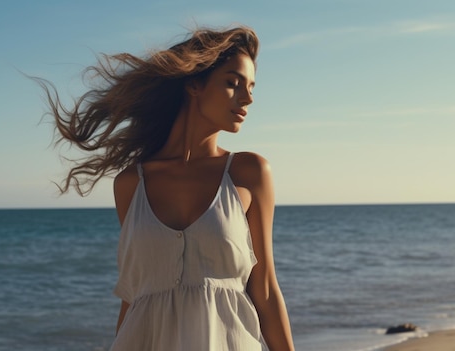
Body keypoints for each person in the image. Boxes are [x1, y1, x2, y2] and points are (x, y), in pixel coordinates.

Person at [37, 25, 294, 351]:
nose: (248, 98)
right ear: (194, 85)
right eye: (233, 83)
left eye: (251, 86)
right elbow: (135, 295)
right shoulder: (132, 184)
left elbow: (266, 289)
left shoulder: (248, 173)